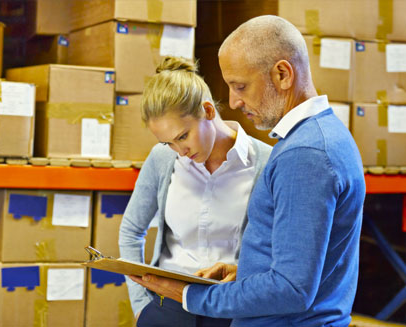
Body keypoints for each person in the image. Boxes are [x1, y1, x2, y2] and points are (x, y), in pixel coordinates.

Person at [129, 15, 366, 327]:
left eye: (240, 86)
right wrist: (246, 271)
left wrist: (190, 296)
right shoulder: (320, 136)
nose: (234, 101)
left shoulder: (304, 154)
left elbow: (292, 288)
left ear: (282, 74)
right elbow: (306, 262)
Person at [118, 56, 272, 327]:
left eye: (182, 137)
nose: (181, 152)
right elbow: (131, 231)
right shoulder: (162, 160)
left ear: (209, 111)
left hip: (230, 311)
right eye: (168, 143)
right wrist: (142, 307)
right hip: (167, 311)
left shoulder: (267, 162)